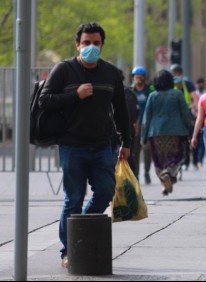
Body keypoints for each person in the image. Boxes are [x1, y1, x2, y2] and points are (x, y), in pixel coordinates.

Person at [39, 22, 131, 268]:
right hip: (72, 145)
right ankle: (68, 250)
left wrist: (127, 142)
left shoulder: (111, 73)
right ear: (77, 45)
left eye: (96, 43)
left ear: (102, 45)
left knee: (105, 192)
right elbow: (44, 101)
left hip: (103, 146)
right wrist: (75, 95)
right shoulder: (64, 70)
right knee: (74, 198)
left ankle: (80, 231)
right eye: (86, 43)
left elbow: (121, 110)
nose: (91, 47)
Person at [141, 70, 191, 195]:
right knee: (177, 157)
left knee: (159, 160)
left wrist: (144, 136)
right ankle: (168, 173)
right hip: (175, 131)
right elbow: (185, 113)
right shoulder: (177, 94)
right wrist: (188, 128)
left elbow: (146, 117)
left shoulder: (152, 96)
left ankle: (164, 184)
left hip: (155, 132)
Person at [170, 64, 199, 171]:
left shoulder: (187, 84)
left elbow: (194, 97)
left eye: (177, 73)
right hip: (174, 114)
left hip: (186, 112)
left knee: (191, 135)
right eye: (174, 74)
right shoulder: (170, 84)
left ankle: (193, 160)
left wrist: (197, 109)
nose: (176, 76)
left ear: (181, 74)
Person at [131, 66, 153, 184]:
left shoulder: (149, 90)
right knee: (135, 151)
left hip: (147, 124)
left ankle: (147, 171)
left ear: (144, 78)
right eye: (136, 77)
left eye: (140, 77)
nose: (138, 79)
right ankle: (136, 174)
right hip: (135, 125)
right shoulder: (131, 90)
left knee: (147, 149)